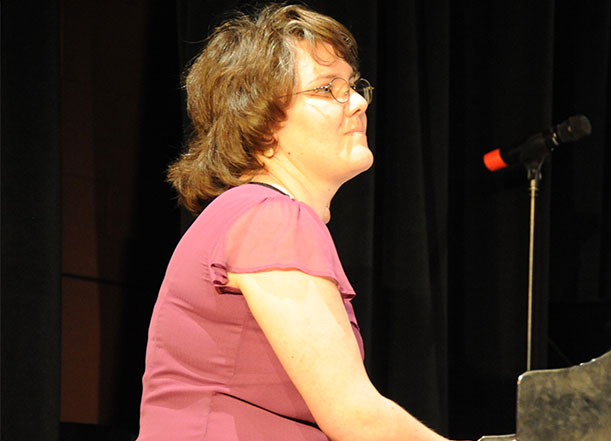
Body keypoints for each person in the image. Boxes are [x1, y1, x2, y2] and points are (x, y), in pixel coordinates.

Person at [136, 4, 458, 441]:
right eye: (328, 89)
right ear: (261, 119)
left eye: (353, 85)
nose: (359, 102)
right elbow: (355, 416)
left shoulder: (254, 214)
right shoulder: (271, 218)